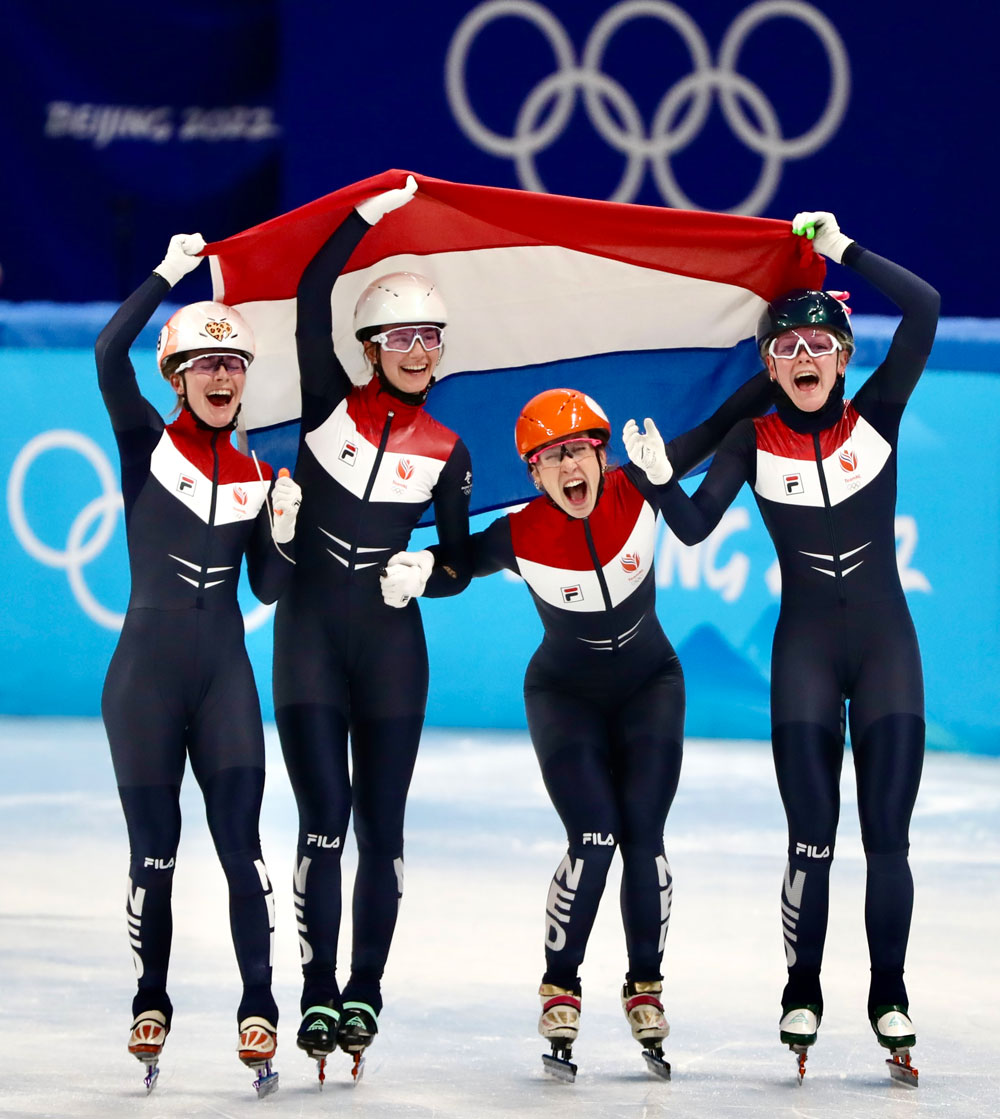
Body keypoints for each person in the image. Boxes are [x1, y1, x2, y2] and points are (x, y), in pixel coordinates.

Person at [628, 211, 939, 1080]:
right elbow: (692, 528)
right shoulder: (751, 439)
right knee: (812, 839)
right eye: (787, 351)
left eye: (819, 347)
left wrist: (847, 252)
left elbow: (924, 308)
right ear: (769, 368)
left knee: (888, 839)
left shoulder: (878, 414)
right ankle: (801, 984)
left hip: (887, 654)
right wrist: (658, 481)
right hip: (803, 651)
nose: (804, 361)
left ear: (843, 358)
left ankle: (889, 992)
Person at [386, 377, 770, 1079]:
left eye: (580, 450)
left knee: (644, 834)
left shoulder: (640, 487)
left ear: (602, 454)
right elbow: (458, 563)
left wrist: (769, 373)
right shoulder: (522, 531)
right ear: (533, 472)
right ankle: (561, 981)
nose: (570, 468)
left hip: (652, 686)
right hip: (564, 694)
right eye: (552, 456)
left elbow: (720, 422)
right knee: (594, 835)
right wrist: (419, 568)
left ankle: (645, 984)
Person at [272, 177, 473, 1075]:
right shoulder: (325, 403)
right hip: (311, 641)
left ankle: (366, 989)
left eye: (431, 338)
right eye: (402, 337)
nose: (419, 350)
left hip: (393, 650)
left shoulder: (451, 451)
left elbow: (463, 562)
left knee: (382, 830)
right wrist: (363, 216)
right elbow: (313, 292)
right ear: (370, 348)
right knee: (325, 822)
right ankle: (316, 987)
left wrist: (431, 572)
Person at [94, 233, 302, 1092]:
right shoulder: (146, 443)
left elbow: (269, 584)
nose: (222, 376)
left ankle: (259, 1003)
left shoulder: (258, 470)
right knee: (155, 856)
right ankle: (151, 997)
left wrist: (283, 532)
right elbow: (110, 353)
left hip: (223, 677)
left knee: (242, 848)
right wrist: (166, 276)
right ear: (178, 377)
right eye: (205, 363)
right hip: (144, 679)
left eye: (234, 364)